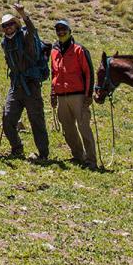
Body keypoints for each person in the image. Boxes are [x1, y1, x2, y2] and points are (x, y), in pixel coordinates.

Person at [0, 3, 49, 160]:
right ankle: (17, 148)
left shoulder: (25, 36)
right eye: (5, 25)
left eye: (11, 24)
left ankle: (43, 154)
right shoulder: (4, 42)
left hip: (31, 86)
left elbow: (32, 29)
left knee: (36, 121)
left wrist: (22, 13)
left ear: (16, 24)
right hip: (15, 86)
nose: (8, 27)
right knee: (7, 119)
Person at [50, 19, 97, 167]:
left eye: (63, 29)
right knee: (68, 129)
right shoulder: (54, 50)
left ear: (70, 30)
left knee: (84, 128)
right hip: (61, 96)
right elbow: (54, 73)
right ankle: (78, 155)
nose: (61, 32)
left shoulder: (79, 49)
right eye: (58, 30)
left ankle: (91, 160)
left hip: (79, 95)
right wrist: (53, 93)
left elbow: (88, 72)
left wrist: (89, 94)